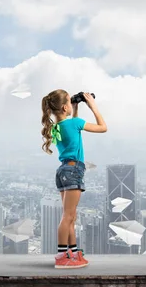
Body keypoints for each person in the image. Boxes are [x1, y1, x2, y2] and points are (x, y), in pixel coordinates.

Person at [41, 90, 107, 269]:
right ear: (64, 107)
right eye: (70, 102)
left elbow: (73, 135)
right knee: (68, 216)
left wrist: (75, 107)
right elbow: (103, 127)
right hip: (73, 170)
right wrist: (92, 105)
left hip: (63, 171)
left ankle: (73, 253)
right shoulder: (75, 123)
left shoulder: (56, 127)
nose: (71, 104)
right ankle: (62, 256)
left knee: (71, 216)